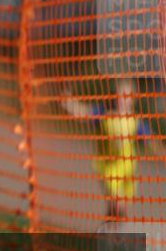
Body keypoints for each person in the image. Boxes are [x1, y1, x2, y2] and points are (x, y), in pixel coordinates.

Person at [61, 79, 163, 223]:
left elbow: (151, 141)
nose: (122, 99)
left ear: (132, 99)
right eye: (120, 95)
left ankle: (110, 231)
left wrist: (161, 154)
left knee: (120, 209)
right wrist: (69, 104)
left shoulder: (135, 120)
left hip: (128, 170)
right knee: (118, 204)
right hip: (108, 169)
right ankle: (114, 234)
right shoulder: (104, 113)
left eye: (126, 96)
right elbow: (84, 113)